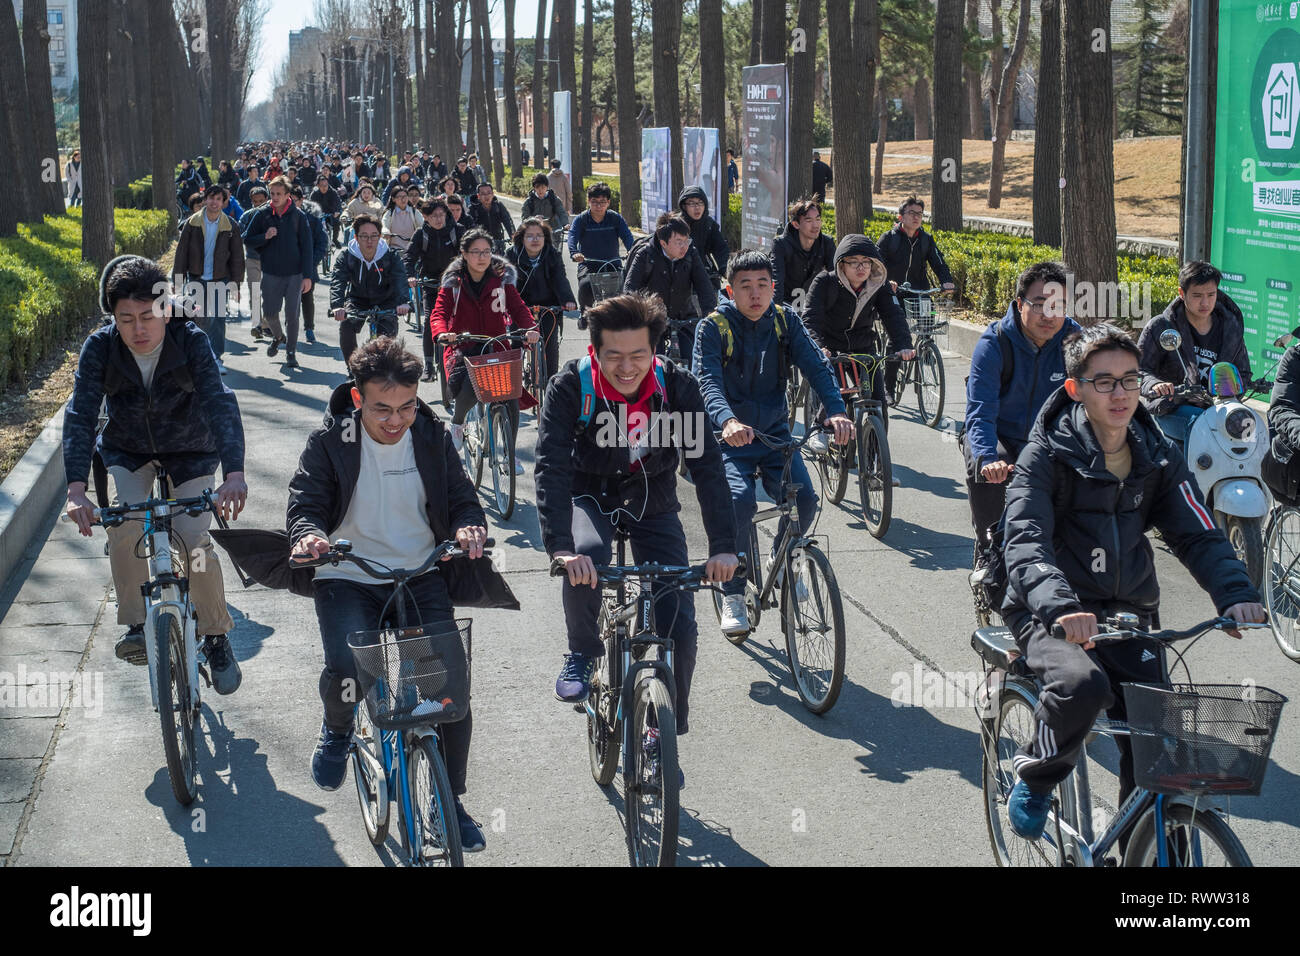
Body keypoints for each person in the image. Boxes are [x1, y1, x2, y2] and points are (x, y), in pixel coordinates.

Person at [999, 322, 1265, 840]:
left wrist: (1235, 593)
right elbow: (1025, 538)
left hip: (1130, 612)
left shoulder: (1156, 454)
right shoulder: (1045, 456)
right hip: (1050, 611)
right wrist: (1058, 606)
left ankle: (1141, 844)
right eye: (1104, 381)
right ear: (1076, 388)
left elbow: (1198, 533)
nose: (1120, 393)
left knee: (1159, 753)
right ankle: (1037, 776)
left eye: (1129, 379)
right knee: (1083, 685)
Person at [287, 336, 491, 850]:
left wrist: (470, 527)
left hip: (419, 573)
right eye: (382, 408)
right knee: (347, 668)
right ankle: (337, 730)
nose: (396, 419)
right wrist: (308, 535)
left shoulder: (432, 435)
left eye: (406, 406)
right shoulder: (329, 441)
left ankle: (452, 800)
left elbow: (463, 499)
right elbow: (305, 502)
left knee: (447, 693)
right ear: (358, 399)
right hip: (348, 575)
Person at [535, 292, 740, 786]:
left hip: (653, 500)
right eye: (614, 357)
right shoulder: (571, 387)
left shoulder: (676, 387)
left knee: (680, 623)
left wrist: (722, 546)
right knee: (587, 558)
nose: (626, 368)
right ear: (594, 351)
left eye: (638, 356)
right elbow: (552, 468)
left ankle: (662, 730)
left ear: (655, 351)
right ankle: (584, 650)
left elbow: (709, 469)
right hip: (590, 496)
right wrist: (560, 548)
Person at [63, 255, 247, 693]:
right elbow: (81, 413)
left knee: (193, 539)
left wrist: (234, 473)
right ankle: (135, 626)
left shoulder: (190, 341)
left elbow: (220, 402)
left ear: (168, 309)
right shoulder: (100, 348)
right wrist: (75, 488)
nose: (138, 329)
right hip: (128, 451)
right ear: (114, 319)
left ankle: (217, 634)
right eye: (126, 319)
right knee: (125, 527)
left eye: (148, 316)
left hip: (191, 451)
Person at [693, 251, 854, 634]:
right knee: (738, 502)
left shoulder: (785, 321)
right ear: (730, 290)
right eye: (745, 286)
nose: (755, 294)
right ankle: (732, 591)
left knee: (806, 499)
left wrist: (835, 411)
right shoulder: (714, 327)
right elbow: (707, 381)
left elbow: (817, 366)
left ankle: (782, 563)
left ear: (773, 288)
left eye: (763, 285)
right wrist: (727, 420)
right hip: (728, 439)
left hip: (775, 436)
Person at [960, 261, 1080, 553]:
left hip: (1049, 440)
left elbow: (1092, 401)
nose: (1049, 315)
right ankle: (989, 550)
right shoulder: (995, 342)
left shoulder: (1074, 340)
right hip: (1000, 437)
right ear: (1019, 303)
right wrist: (987, 459)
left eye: (1059, 305)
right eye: (1039, 304)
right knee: (988, 473)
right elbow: (980, 411)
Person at [430, 229, 539, 471]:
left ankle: (508, 455)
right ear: (464, 255)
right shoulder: (453, 283)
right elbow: (439, 313)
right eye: (476, 252)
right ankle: (458, 423)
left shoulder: (501, 279)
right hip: (463, 348)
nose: (482, 257)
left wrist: (530, 328)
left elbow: (518, 308)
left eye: (487, 252)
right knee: (470, 388)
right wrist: (442, 334)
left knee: (509, 396)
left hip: (498, 346)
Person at [802, 235, 915, 458]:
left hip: (864, 349)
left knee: (878, 405)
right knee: (836, 393)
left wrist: (903, 345)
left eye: (866, 260)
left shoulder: (878, 285)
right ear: (841, 264)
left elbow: (893, 315)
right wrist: (818, 346)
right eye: (854, 261)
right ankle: (820, 429)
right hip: (831, 348)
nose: (861, 267)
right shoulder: (824, 282)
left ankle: (876, 467)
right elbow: (811, 319)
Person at [1137, 260, 1252, 446]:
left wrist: (1229, 391)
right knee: (1205, 426)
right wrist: (1157, 384)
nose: (1205, 302)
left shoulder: (1231, 328)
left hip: (1219, 409)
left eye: (1211, 294)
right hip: (1171, 408)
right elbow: (1138, 370)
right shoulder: (1161, 327)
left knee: (1249, 430)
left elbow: (1243, 374)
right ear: (1182, 293)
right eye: (1197, 295)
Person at [241, 176, 314, 367]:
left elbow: (307, 248)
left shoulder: (298, 216)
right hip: (271, 272)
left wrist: (308, 276)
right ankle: (278, 337)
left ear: (288, 195)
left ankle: (291, 352)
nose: (274, 197)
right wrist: (264, 237)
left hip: (294, 274)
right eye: (272, 193)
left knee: (292, 315)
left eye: (278, 194)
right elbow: (247, 239)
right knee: (270, 313)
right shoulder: (263, 213)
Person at [623, 213, 718, 359]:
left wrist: (710, 313)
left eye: (687, 240)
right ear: (663, 243)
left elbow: (704, 285)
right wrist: (641, 313)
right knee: (655, 360)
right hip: (652, 318)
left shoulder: (691, 253)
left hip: (683, 317)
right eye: (679, 242)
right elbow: (630, 289)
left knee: (693, 357)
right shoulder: (645, 254)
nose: (684, 246)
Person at [173, 184, 245, 373]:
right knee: (200, 318)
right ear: (205, 199)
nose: (214, 202)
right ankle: (199, 356)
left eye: (219, 199)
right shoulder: (192, 223)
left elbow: (238, 257)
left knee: (218, 319)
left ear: (224, 202)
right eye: (211, 198)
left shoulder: (230, 226)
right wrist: (178, 281)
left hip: (220, 279)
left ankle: (216, 357)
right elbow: (181, 253)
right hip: (197, 278)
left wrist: (236, 284)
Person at [507, 216, 577, 396]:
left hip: (548, 307)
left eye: (539, 235)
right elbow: (507, 284)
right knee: (515, 344)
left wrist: (567, 300)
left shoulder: (552, 255)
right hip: (519, 307)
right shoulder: (512, 255)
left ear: (545, 238)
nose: (535, 239)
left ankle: (550, 390)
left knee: (550, 347)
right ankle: (513, 390)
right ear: (522, 238)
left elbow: (560, 279)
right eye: (530, 236)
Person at [328, 214, 410, 364]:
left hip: (386, 300)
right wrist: (337, 306)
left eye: (374, 236)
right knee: (346, 326)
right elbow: (338, 281)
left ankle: (384, 371)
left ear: (380, 236)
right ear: (356, 237)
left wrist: (403, 302)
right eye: (364, 236)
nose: (369, 241)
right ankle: (353, 369)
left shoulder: (390, 256)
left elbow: (400, 279)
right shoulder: (347, 256)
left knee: (386, 341)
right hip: (357, 299)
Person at [405, 197, 463, 382]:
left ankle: (463, 361)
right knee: (431, 320)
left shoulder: (457, 231)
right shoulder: (421, 234)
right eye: (434, 216)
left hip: (454, 284)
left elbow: (468, 253)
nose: (439, 219)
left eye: (442, 215)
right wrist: (410, 276)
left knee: (462, 320)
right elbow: (409, 258)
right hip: (430, 285)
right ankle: (429, 365)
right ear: (425, 217)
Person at [568, 181, 635, 315]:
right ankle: (584, 312)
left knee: (625, 287)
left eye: (602, 202)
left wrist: (631, 250)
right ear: (588, 201)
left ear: (608, 202)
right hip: (588, 264)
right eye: (594, 202)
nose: (598, 205)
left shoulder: (615, 218)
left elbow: (627, 236)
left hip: (612, 263)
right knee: (585, 285)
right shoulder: (581, 219)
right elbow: (572, 236)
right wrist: (574, 253)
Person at [877, 196, 954, 295]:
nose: (916, 217)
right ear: (900, 217)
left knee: (931, 311)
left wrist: (946, 280)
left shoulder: (926, 239)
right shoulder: (888, 238)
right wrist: (886, 282)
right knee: (893, 310)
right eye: (911, 213)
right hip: (892, 291)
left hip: (920, 292)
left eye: (919, 214)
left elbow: (939, 263)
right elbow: (876, 265)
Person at [770, 198, 836, 310]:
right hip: (787, 303)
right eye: (809, 220)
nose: (815, 225)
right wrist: (777, 312)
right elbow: (777, 282)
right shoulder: (780, 245)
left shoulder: (826, 243)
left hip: (814, 305)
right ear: (796, 224)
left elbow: (834, 278)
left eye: (818, 219)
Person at [292, 184, 330, 351]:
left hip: (308, 268)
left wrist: (312, 262)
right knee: (291, 302)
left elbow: (322, 243)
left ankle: (309, 328)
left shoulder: (312, 220)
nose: (291, 204)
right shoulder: (278, 218)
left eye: (294, 201)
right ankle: (290, 329)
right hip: (287, 269)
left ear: (301, 201)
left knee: (307, 299)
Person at [676, 186, 730, 285]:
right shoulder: (675, 225)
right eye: (692, 203)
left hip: (706, 274)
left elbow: (721, 249)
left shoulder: (709, 224)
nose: (697, 207)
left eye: (700, 202)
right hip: (680, 277)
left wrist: (726, 269)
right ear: (684, 206)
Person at [239, 186, 270, 343]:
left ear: (267, 199)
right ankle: (257, 324)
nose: (258, 204)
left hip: (271, 260)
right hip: (252, 259)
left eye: (261, 201)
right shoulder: (246, 216)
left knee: (269, 293)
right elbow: (242, 236)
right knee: (255, 292)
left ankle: (267, 323)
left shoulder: (273, 215)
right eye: (255, 201)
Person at [521, 173, 569, 247]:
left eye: (543, 187)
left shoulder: (554, 199)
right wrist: (534, 219)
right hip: (535, 235)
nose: (540, 191)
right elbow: (524, 218)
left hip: (553, 232)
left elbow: (561, 212)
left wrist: (565, 224)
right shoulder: (529, 202)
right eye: (538, 188)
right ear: (534, 188)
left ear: (547, 187)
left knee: (553, 254)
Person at [469, 182, 515, 252]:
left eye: (489, 193)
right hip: (480, 245)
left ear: (493, 194)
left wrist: (513, 235)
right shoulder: (473, 209)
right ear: (478, 196)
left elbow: (508, 221)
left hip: (498, 243)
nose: (486, 196)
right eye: (483, 194)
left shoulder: (499, 206)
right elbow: (470, 226)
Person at [381, 185, 423, 253]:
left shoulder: (414, 212)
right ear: (393, 199)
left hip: (412, 250)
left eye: (405, 196)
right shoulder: (389, 213)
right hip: (394, 250)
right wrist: (386, 232)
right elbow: (384, 225)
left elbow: (422, 224)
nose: (403, 199)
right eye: (400, 197)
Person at [310, 173, 343, 254]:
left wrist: (337, 211)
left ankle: (334, 240)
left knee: (336, 223)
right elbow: (310, 205)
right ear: (317, 185)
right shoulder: (314, 194)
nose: (324, 187)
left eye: (326, 185)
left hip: (331, 213)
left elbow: (338, 203)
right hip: (319, 214)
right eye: (321, 185)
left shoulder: (333, 192)